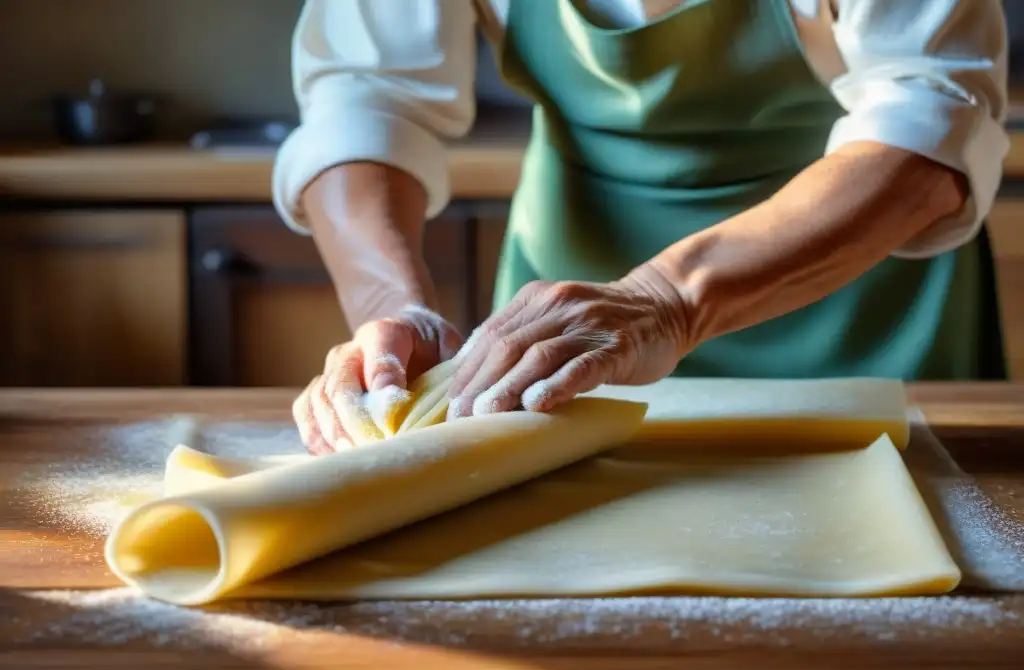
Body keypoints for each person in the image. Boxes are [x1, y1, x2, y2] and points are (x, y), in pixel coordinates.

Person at [273, 0, 1009, 455]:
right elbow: (363, 101)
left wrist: (668, 298)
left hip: (854, 280)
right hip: (570, 281)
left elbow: (931, 121)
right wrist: (391, 314)